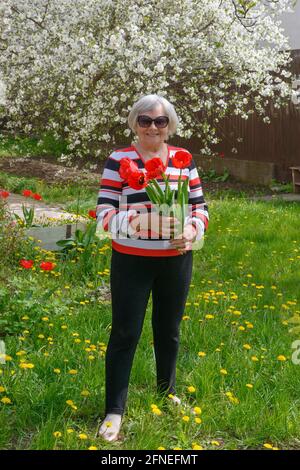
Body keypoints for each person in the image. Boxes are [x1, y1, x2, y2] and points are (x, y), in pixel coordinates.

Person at [95, 94, 209, 442]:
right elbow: (102, 216)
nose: (153, 127)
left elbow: (200, 207)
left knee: (169, 329)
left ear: (170, 125)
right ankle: (114, 410)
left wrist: (192, 230)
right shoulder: (119, 160)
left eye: (160, 121)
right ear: (134, 123)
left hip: (176, 260)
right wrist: (139, 222)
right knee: (126, 333)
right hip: (131, 261)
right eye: (145, 120)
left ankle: (167, 392)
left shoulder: (183, 160)